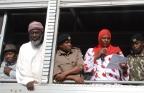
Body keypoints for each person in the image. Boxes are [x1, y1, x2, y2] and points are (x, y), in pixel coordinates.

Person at [16, 21, 44, 91]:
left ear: (42, 34)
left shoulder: (46, 46)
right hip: (27, 85)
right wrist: (28, 80)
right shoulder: (24, 47)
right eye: (32, 33)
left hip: (43, 85)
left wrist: (40, 80)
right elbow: (20, 67)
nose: (34, 35)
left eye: (37, 33)